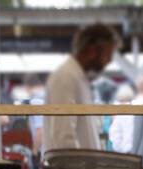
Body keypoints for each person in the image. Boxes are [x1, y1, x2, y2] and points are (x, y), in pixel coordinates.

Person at [43, 23, 118, 154]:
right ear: (92, 51)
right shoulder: (66, 77)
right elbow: (63, 138)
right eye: (108, 54)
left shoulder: (78, 78)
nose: (110, 60)